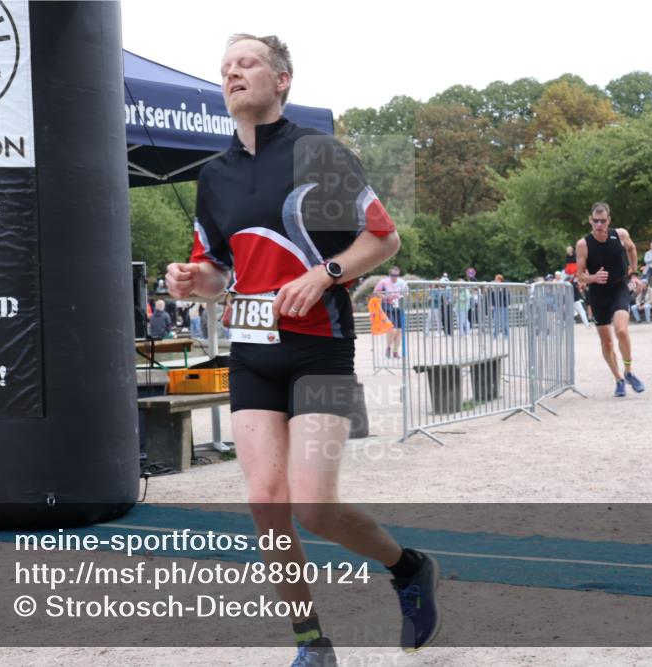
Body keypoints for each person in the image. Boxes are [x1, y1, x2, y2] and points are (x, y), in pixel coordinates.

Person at [166, 34, 438, 665]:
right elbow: (216, 273)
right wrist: (190, 279)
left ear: (282, 79)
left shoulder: (320, 153)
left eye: (247, 63)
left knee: (313, 504)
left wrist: (326, 274)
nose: (233, 73)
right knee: (266, 501)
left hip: (320, 350)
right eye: (225, 68)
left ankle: (407, 567)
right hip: (252, 353)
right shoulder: (214, 175)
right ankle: (311, 642)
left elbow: (384, 239)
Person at [574, 202, 645, 397]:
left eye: (602, 221)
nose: (599, 224)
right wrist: (593, 278)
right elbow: (580, 275)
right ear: (590, 220)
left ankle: (628, 372)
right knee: (606, 342)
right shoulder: (583, 244)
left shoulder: (620, 235)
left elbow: (632, 249)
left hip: (619, 287)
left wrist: (634, 273)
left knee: (621, 330)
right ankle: (618, 379)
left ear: (609, 220)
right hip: (598, 293)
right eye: (596, 221)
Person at [373, 267, 408, 358]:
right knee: (392, 329)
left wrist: (402, 297)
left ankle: (395, 351)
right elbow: (376, 292)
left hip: (399, 307)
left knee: (399, 331)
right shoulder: (383, 282)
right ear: (389, 274)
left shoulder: (402, 282)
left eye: (396, 275)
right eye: (392, 275)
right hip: (388, 306)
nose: (394, 277)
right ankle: (388, 347)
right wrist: (385, 297)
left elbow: (406, 293)